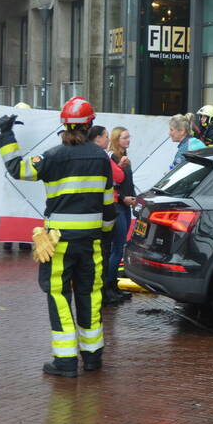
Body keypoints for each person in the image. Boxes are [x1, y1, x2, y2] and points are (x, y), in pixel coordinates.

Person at [0, 97, 116, 377]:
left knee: (59, 295)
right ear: (90, 125)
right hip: (91, 241)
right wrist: (106, 234)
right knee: (91, 294)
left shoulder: (53, 156)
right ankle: (93, 357)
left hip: (58, 242)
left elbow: (18, 169)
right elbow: (108, 205)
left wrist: (6, 134)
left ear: (64, 126)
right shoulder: (101, 158)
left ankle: (65, 361)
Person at [88, 126, 130, 307]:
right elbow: (118, 177)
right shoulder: (104, 156)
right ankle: (107, 288)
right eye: (105, 136)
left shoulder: (107, 156)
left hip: (111, 206)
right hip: (111, 206)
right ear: (97, 138)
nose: (128, 140)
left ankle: (110, 287)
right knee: (112, 249)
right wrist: (119, 169)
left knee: (111, 249)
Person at [106, 126, 136, 305]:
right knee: (117, 248)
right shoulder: (113, 157)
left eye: (128, 137)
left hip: (124, 205)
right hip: (117, 206)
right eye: (124, 137)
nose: (128, 140)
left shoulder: (124, 158)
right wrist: (124, 198)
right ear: (117, 140)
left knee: (119, 246)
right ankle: (109, 286)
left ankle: (113, 285)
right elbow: (112, 182)